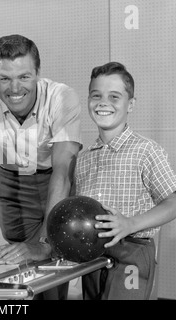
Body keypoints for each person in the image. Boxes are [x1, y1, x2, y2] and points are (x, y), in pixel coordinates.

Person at [0, 34, 82, 299]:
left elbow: (63, 172)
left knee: (52, 264)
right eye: (4, 78)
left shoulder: (62, 97)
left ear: (38, 73)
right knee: (17, 267)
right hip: (10, 180)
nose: (15, 88)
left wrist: (44, 244)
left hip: (54, 178)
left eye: (24, 77)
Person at [75, 62, 176, 300]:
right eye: (96, 95)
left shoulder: (146, 150)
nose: (103, 102)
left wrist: (130, 224)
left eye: (114, 96)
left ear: (131, 104)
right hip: (93, 254)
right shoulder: (82, 159)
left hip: (132, 251)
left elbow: (173, 201)